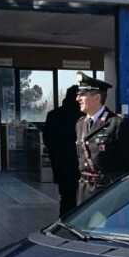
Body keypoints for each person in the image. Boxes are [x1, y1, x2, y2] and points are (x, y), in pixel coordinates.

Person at [74, 74, 129, 205]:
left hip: (109, 193)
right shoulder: (80, 124)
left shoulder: (117, 123)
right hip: (85, 191)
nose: (77, 99)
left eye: (82, 94)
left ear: (97, 97)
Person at [43, 85, 80, 217]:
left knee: (66, 198)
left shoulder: (53, 115)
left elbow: (47, 140)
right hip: (81, 166)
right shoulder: (83, 117)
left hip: (60, 164)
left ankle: (64, 224)